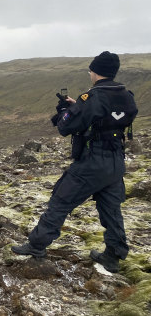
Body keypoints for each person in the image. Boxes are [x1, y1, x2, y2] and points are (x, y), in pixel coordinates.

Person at [11, 51, 138, 273]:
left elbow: (65, 127)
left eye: (90, 70)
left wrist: (67, 111)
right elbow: (108, 118)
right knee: (111, 209)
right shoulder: (126, 94)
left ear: (95, 71)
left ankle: (37, 245)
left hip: (92, 162)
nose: (89, 73)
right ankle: (113, 256)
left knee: (61, 200)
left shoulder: (92, 97)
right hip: (116, 161)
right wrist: (78, 107)